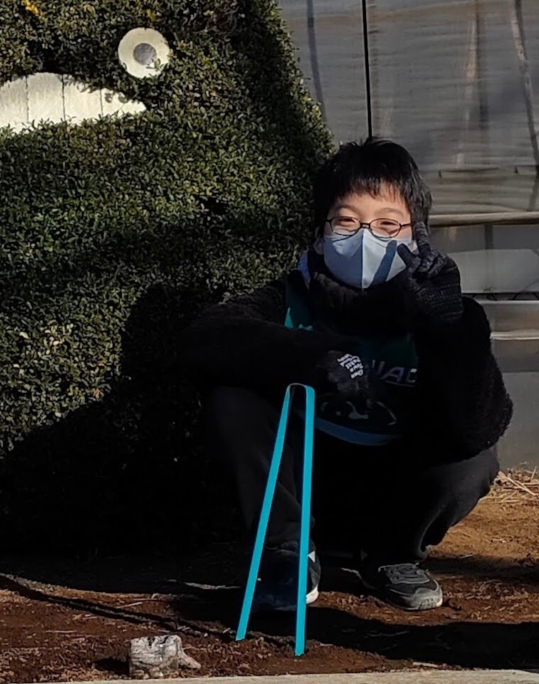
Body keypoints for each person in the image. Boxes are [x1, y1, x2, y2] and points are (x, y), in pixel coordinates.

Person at [185, 136, 512, 614]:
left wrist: (449, 328)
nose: (365, 239)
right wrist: (312, 356)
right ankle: (287, 553)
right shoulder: (289, 298)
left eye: (387, 225)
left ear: (415, 237)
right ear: (319, 234)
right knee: (230, 399)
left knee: (474, 459)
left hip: (394, 490)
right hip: (305, 491)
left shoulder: (442, 313)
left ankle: (394, 557)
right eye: (347, 221)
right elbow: (207, 338)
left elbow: (477, 427)